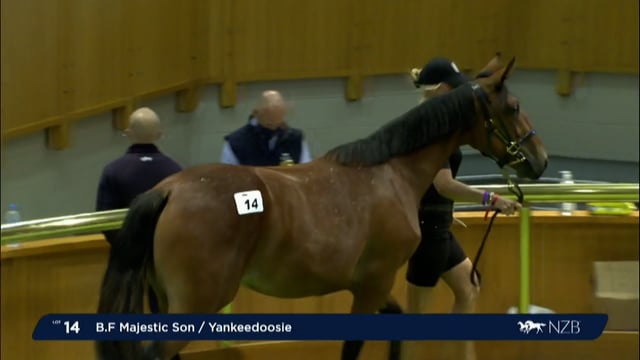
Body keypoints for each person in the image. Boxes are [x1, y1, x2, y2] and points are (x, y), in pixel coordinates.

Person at [405, 57, 522, 360]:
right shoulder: (430, 127)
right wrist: (491, 199)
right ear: (442, 89)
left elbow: (432, 185)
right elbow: (443, 184)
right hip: (426, 233)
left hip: (439, 226)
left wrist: (448, 211)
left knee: (469, 287)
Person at [220, 90, 312, 166]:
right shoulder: (236, 143)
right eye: (269, 124)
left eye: (278, 122)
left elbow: (305, 173)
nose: (274, 128)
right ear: (256, 113)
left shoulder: (295, 138)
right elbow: (228, 178)